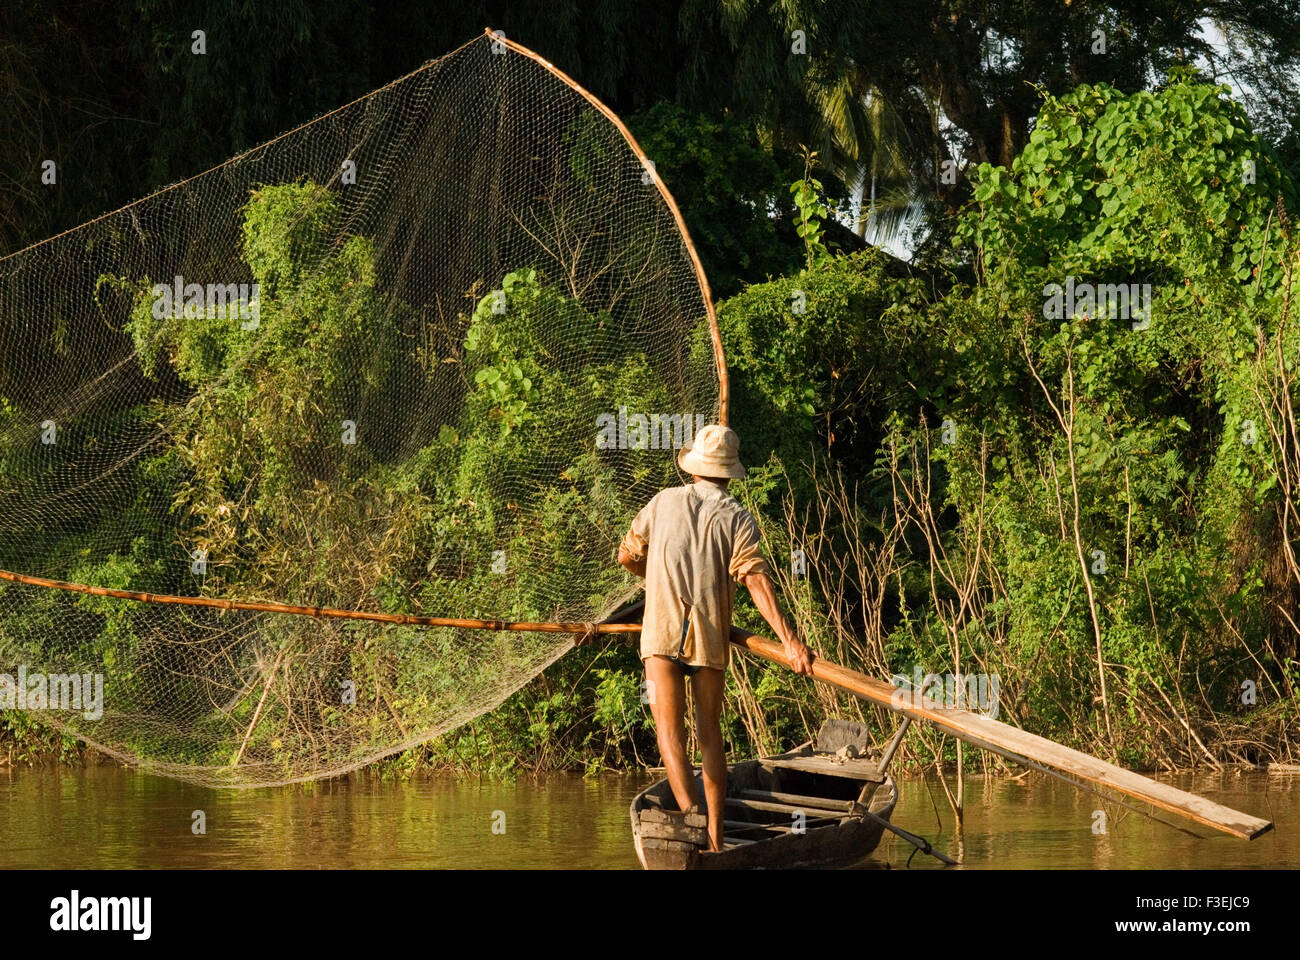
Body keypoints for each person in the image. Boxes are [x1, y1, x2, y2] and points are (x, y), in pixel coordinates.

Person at [615, 423, 813, 852]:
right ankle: (716, 839)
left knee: (669, 732)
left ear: (694, 468)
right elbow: (755, 581)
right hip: (708, 634)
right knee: (709, 735)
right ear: (729, 472)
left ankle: (690, 819)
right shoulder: (737, 517)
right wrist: (790, 640)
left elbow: (626, 555)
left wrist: (657, 581)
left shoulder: (662, 501)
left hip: (661, 631)